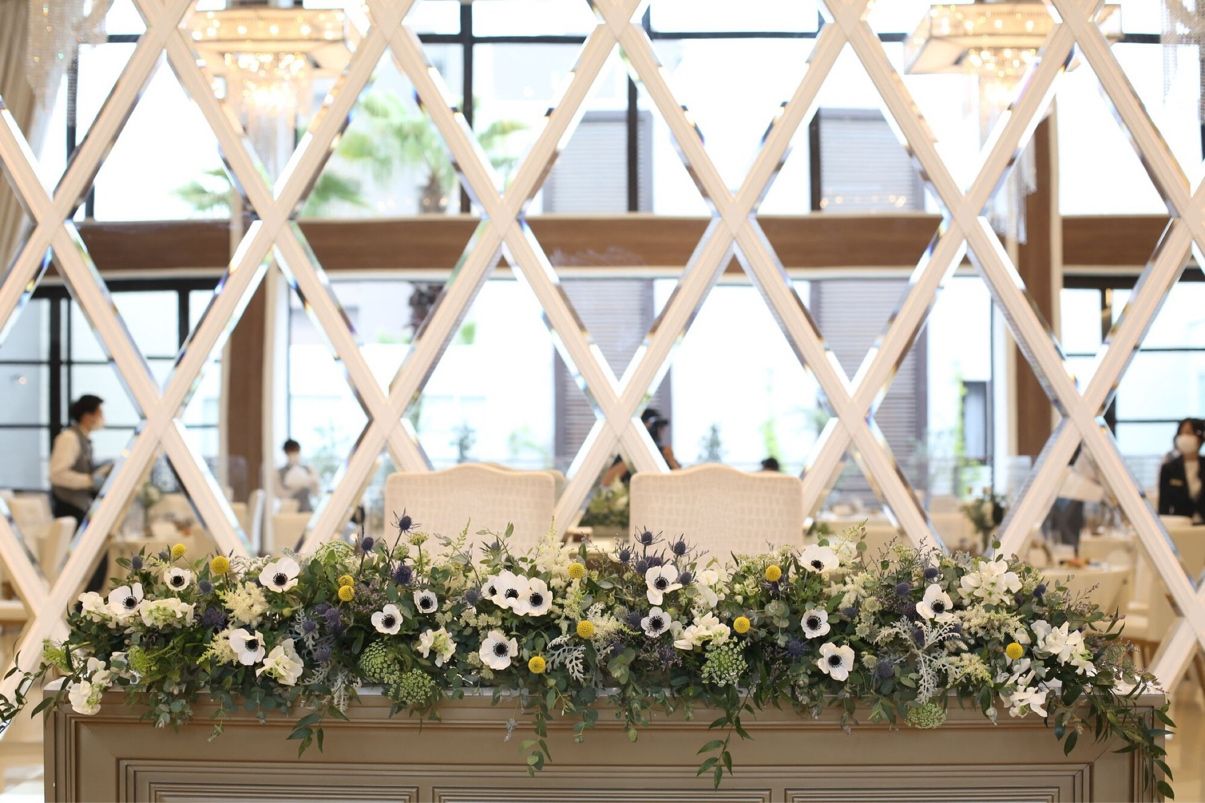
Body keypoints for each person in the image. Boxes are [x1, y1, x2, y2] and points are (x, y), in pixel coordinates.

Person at [49, 394, 112, 591]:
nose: (102, 417)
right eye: (99, 413)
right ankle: (82, 604)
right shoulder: (69, 438)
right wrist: (90, 480)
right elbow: (58, 474)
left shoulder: (84, 439)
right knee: (85, 564)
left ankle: (90, 602)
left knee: (96, 560)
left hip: (82, 507)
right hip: (70, 508)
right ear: (87, 415)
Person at [601, 408, 680, 486]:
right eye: (655, 427)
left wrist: (671, 460)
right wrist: (634, 455)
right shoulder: (626, 452)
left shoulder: (664, 453)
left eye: (660, 427)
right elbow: (606, 481)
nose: (659, 431)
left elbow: (680, 483)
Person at [1158, 418, 1205, 522]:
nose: (1184, 437)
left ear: (1199, 437)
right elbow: (1164, 505)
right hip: (1181, 525)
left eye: (1188, 433)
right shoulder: (1169, 468)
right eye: (1181, 433)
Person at [277, 439, 320, 514]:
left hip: (307, 510)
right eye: (290, 451)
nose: (293, 454)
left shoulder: (308, 470)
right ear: (285, 452)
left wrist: (311, 482)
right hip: (289, 512)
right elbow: (280, 494)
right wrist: (296, 488)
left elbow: (316, 492)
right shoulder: (280, 472)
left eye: (296, 451)